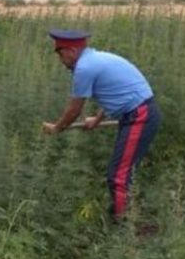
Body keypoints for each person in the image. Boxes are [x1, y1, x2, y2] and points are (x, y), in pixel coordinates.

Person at [42, 29, 161, 221]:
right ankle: (124, 215)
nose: (61, 61)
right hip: (136, 113)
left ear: (72, 51)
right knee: (122, 172)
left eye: (61, 55)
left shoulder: (84, 68)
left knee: (118, 175)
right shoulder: (96, 59)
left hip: (140, 116)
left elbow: (74, 110)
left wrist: (57, 128)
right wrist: (96, 120)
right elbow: (115, 93)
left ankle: (123, 227)